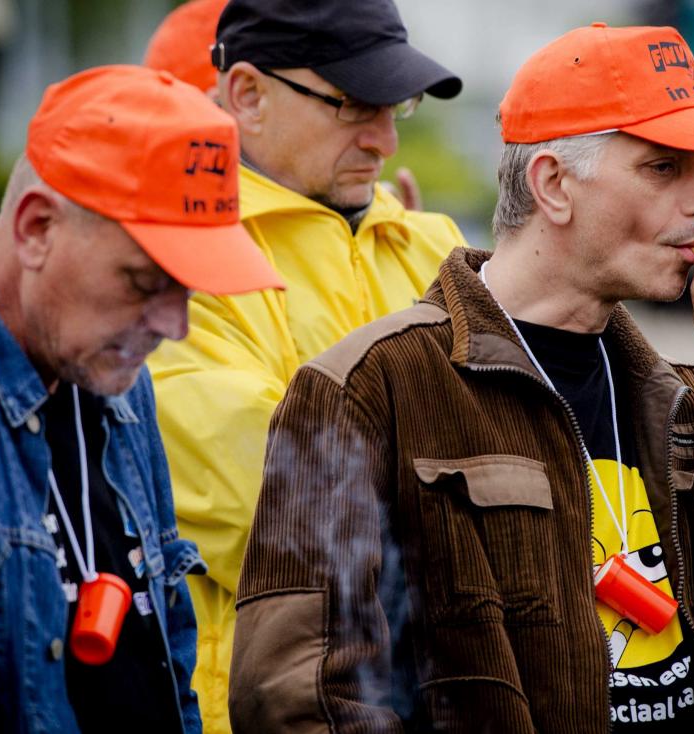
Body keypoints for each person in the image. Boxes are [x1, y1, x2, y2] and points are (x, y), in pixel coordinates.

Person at [228, 23, 694, 733]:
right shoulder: (369, 388)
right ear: (553, 185)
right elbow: (301, 701)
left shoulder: (692, 401)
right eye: (665, 167)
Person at [144, 0, 467, 729]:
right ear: (248, 95)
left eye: (398, 105)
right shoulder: (174, 260)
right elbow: (289, 502)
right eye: (354, 105)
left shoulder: (429, 242)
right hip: (259, 708)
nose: (385, 140)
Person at [0, 65, 282, 732]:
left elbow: (170, 647)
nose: (173, 325)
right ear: (37, 228)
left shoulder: (120, 383)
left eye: (189, 289)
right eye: (144, 280)